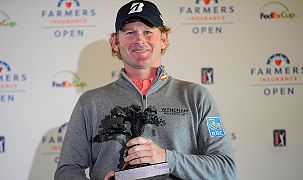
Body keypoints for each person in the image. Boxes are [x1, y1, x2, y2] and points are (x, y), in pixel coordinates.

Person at [54, 0, 236, 179]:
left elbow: (225, 169)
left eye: (148, 32)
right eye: (130, 32)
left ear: (163, 39)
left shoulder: (196, 97)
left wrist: (166, 158)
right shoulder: (90, 102)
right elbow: (66, 171)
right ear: (115, 41)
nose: (139, 39)